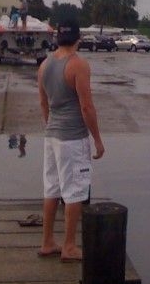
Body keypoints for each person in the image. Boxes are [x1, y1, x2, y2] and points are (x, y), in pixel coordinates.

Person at [37, 18, 104, 262]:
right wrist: (97, 139)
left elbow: (43, 103)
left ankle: (47, 242)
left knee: (52, 188)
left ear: (57, 38)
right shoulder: (78, 65)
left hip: (52, 136)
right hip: (73, 138)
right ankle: (69, 246)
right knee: (75, 191)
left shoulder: (44, 65)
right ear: (78, 38)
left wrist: (51, 128)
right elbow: (87, 107)